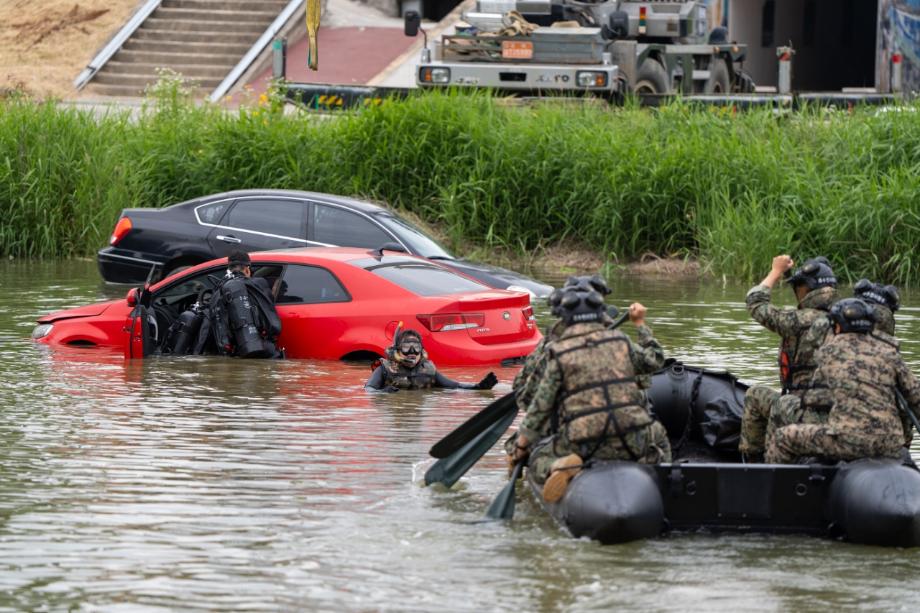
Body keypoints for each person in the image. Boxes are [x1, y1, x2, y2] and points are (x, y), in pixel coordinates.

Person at [508, 285, 670, 503]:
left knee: (537, 457)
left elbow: (538, 408)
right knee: (660, 437)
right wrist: (640, 325)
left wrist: (520, 447)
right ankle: (658, 480)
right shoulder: (620, 341)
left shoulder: (559, 352)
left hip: (585, 444)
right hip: (632, 438)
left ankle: (561, 466)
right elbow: (655, 359)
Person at [767, 298, 920, 464]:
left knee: (783, 437)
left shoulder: (829, 351)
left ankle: (773, 488)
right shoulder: (889, 351)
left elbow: (814, 399)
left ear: (838, 326)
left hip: (849, 442)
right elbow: (915, 397)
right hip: (891, 444)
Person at [739, 255, 839, 461]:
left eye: (799, 288)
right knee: (765, 397)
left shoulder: (797, 320)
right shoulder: (844, 321)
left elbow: (755, 302)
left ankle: (759, 464)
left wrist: (776, 271)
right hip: (841, 413)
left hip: (805, 411)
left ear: (806, 290)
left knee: (767, 399)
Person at [193, 250, 282, 358]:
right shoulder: (259, 284)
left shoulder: (219, 290)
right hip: (262, 348)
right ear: (247, 269)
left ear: (229, 269)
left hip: (234, 352)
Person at [365, 328, 498, 391]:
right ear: (398, 349)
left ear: (421, 350)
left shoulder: (428, 370)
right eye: (406, 347)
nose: (412, 352)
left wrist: (478, 387)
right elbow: (369, 389)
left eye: (416, 347)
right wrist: (382, 393)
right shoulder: (384, 369)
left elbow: (454, 386)